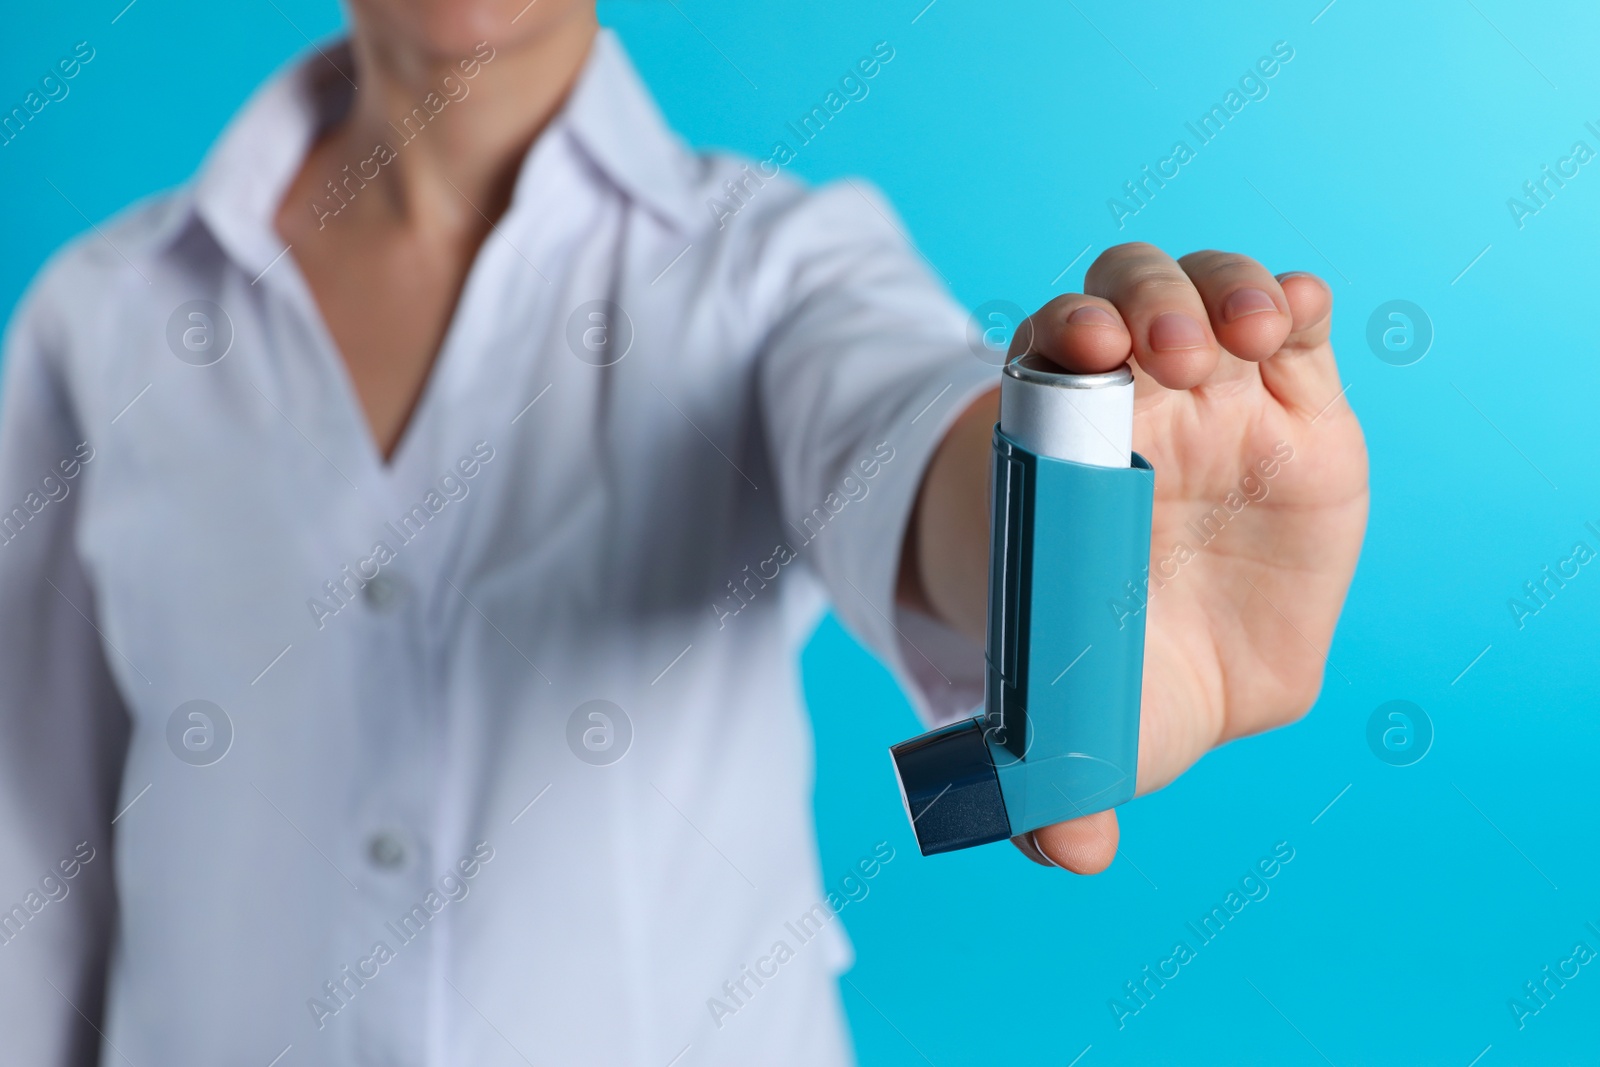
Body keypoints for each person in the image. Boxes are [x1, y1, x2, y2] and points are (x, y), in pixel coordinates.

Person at [0, 0, 1367, 1063]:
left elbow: (900, 431)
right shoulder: (103, 314)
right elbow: (30, 855)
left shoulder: (773, 267)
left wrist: (1077, 565)